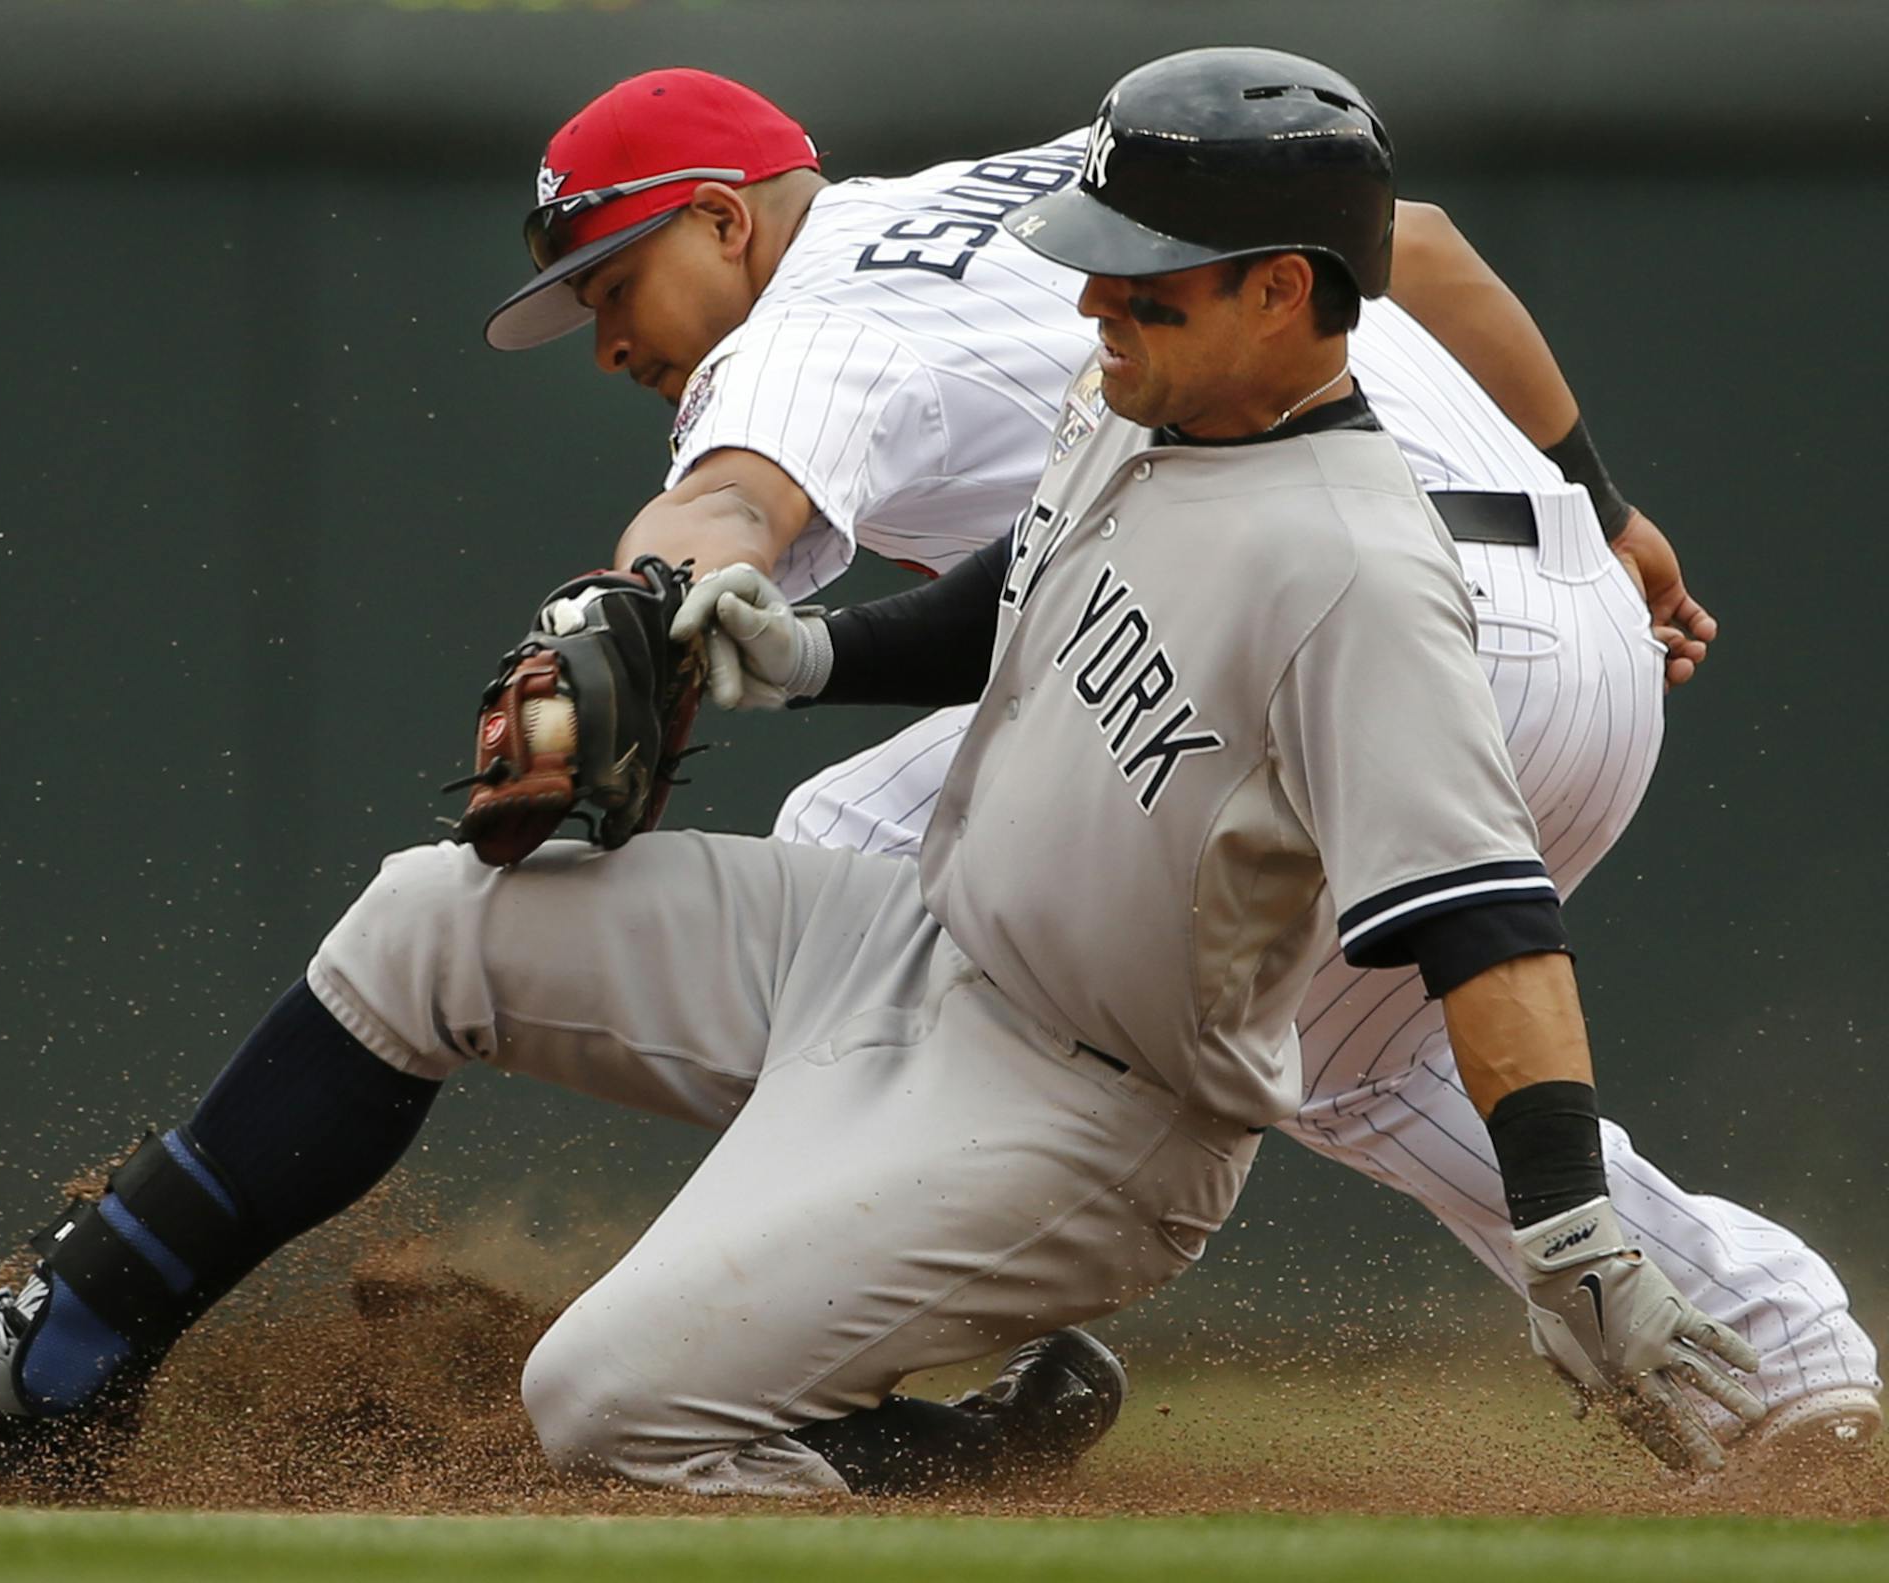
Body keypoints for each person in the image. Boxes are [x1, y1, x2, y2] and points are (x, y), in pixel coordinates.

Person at [0, 50, 1768, 1494]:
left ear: (1275, 288)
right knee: (436, 914)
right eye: (1099, 258)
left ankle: (883, 1439)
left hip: (1091, 1102)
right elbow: (1020, 577)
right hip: (924, 942)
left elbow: (1475, 913)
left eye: (617, 284)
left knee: (604, 1406)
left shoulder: (1338, 566)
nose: (1091, 297)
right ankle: (69, 1353)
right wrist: (804, 650)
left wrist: (1570, 1220)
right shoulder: (1146, 383)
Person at [479, 67, 1880, 1453]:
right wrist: (1604, 499)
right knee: (1357, 1065)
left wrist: (641, 602)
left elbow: (728, 498)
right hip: (1572, 625)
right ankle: (1782, 1362)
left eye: (614, 284)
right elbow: (1426, 249)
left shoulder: (805, 330)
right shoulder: (1056, 178)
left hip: (1344, 611)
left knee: (849, 861)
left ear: (725, 221)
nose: (608, 340)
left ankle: (819, 1336)